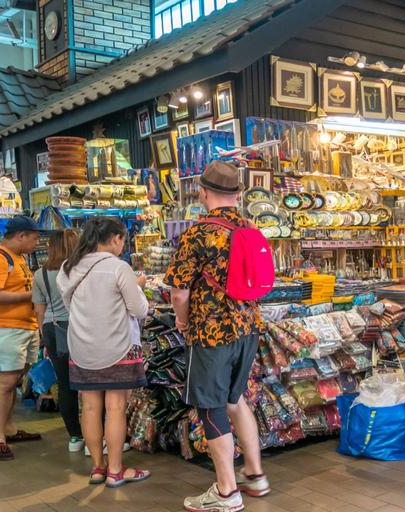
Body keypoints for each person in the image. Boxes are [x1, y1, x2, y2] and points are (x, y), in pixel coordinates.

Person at [164, 161, 268, 512]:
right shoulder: (251, 227)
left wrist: (182, 322)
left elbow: (179, 292)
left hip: (211, 332)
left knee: (210, 408)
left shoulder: (197, 233)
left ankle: (226, 492)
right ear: (238, 195)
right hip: (249, 326)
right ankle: (255, 476)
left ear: (202, 192)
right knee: (235, 400)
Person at [57, 217, 150, 487]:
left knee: (89, 407)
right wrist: (139, 286)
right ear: (116, 239)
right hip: (118, 345)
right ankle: (116, 470)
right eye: (123, 240)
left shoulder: (68, 267)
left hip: (82, 346)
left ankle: (98, 468)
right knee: (116, 407)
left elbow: (70, 305)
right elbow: (139, 309)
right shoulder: (118, 268)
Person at [0, 216, 42, 461]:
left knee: (12, 380)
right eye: (34, 238)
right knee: (3, 382)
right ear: (20, 235)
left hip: (22, 327)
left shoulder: (19, 258)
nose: (37, 243)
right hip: (2, 328)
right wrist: (30, 295)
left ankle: (9, 429)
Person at [32, 229, 83, 453]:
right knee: (91, 382)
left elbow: (39, 311)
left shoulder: (40, 274)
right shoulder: (80, 271)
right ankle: (97, 436)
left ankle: (75, 436)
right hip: (80, 328)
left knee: (65, 384)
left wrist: (45, 340)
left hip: (52, 329)